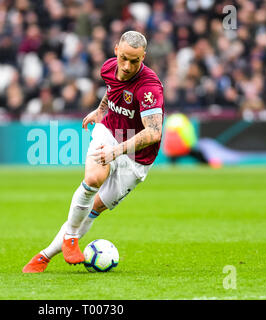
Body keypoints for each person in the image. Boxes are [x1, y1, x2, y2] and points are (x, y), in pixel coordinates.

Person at [23, 31, 164, 273]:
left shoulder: (149, 87)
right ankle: (70, 239)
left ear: (144, 56)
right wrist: (100, 111)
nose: (128, 66)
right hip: (109, 132)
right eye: (124, 59)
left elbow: (154, 133)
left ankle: (44, 256)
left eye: (135, 61)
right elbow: (112, 90)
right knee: (93, 179)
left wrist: (117, 151)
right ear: (116, 49)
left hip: (137, 158)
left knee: (95, 208)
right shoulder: (108, 67)